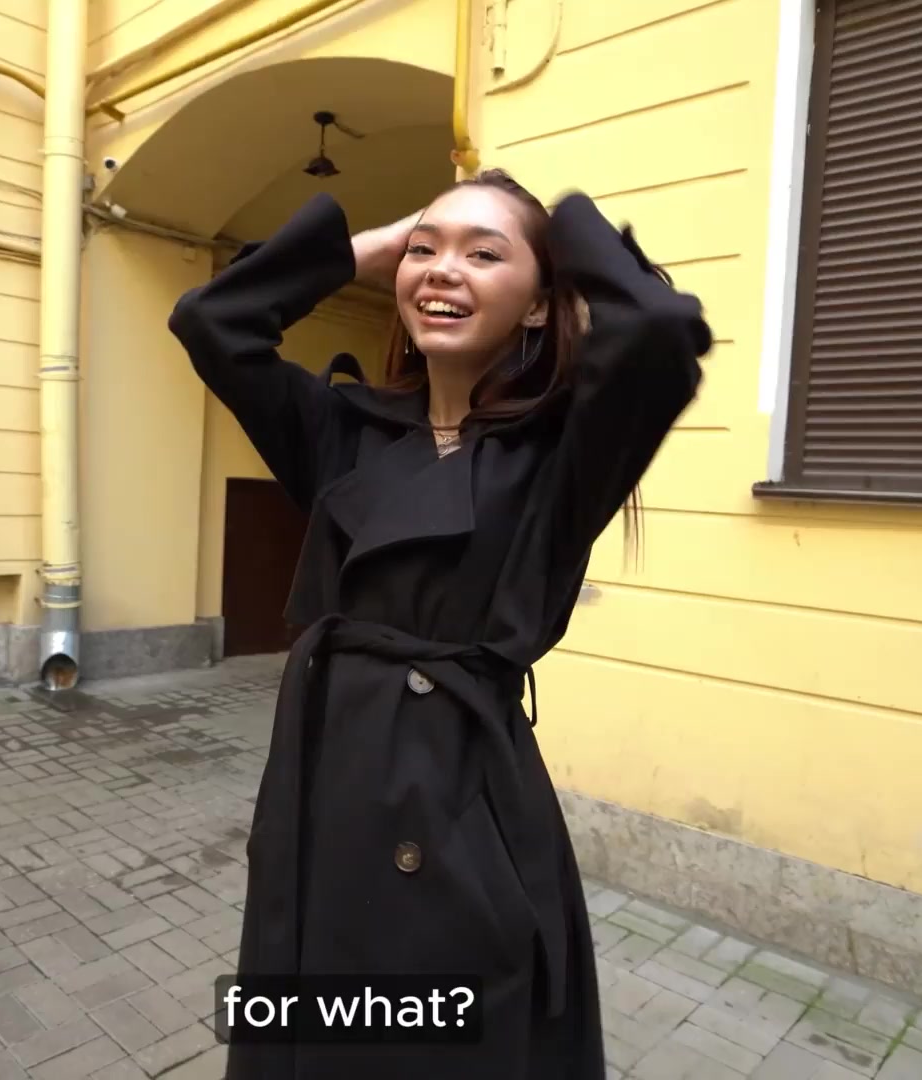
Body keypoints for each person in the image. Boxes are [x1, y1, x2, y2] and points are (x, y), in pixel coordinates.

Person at [168, 168, 713, 1080]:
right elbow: (210, 321)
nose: (443, 269)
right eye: (425, 250)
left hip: (460, 812)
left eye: (483, 254)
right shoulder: (346, 429)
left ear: (539, 304)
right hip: (319, 792)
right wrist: (368, 249)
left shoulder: (563, 453)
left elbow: (658, 331)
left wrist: (562, 226)